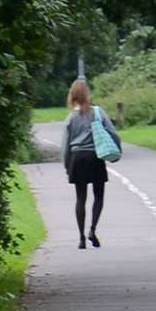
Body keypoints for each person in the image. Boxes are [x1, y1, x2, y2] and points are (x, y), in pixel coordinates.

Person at [61, 79, 120, 249]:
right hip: (95, 156)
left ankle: (80, 238)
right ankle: (92, 230)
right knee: (98, 196)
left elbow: (66, 145)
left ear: (72, 96)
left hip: (77, 158)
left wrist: (67, 166)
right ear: (87, 94)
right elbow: (113, 133)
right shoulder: (97, 112)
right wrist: (116, 152)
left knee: (80, 198)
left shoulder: (71, 117)